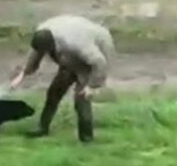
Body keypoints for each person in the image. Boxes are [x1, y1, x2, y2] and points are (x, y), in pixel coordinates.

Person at [10, 14, 115, 143]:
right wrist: (24, 73)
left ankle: (87, 139)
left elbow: (99, 62)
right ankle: (42, 128)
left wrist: (92, 86)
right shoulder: (42, 33)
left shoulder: (77, 45)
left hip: (97, 48)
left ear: (53, 46)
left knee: (81, 98)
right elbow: (36, 53)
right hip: (70, 54)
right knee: (54, 92)